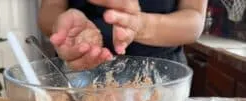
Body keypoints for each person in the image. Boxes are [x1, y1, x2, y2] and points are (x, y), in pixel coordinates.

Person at [38, 0, 208, 71]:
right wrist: (63, 28)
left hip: (161, 76)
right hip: (77, 72)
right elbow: (51, 7)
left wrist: (142, 26)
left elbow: (194, 18)